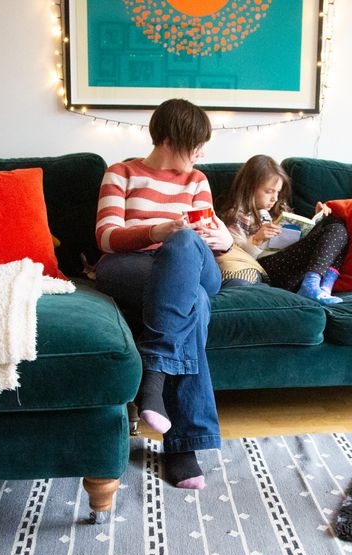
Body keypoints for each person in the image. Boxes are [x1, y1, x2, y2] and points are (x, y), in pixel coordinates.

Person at [94, 98, 233, 490]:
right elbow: (106, 236)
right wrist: (158, 232)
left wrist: (222, 241)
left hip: (194, 265)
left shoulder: (198, 181)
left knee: (187, 245)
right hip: (131, 266)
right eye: (197, 143)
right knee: (196, 304)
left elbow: (207, 235)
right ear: (172, 139)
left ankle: (152, 376)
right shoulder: (120, 173)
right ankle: (182, 447)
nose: (202, 152)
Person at [216, 155, 348, 304]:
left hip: (292, 268)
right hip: (268, 269)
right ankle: (311, 285)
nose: (274, 198)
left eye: (277, 192)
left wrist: (317, 220)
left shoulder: (280, 209)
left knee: (336, 225)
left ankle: (322, 287)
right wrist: (256, 239)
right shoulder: (235, 216)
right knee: (333, 231)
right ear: (250, 187)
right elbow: (234, 257)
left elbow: (299, 242)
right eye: (269, 191)